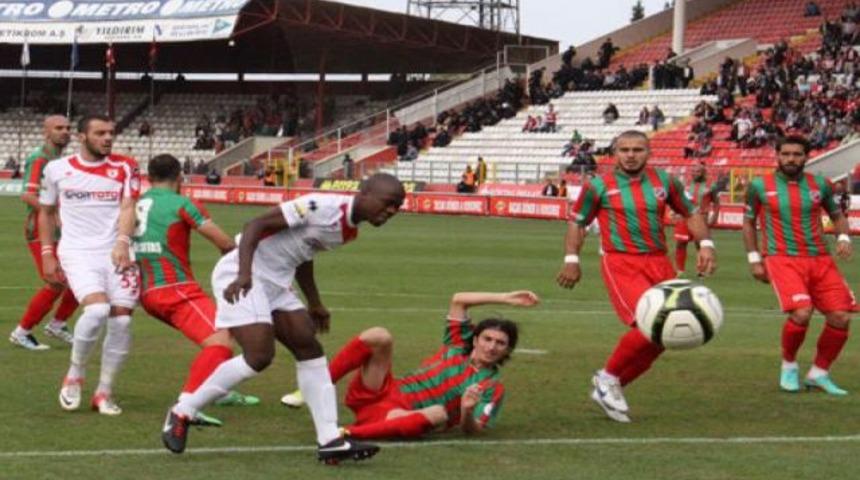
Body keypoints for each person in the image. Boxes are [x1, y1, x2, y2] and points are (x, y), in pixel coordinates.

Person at [161, 173, 406, 463]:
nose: (392, 211)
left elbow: (304, 253)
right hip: (244, 273)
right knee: (259, 355)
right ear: (365, 193)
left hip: (276, 282)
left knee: (309, 347)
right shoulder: (320, 206)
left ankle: (329, 440)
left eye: (397, 206)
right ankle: (182, 411)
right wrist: (244, 274)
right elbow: (255, 225)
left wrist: (315, 302)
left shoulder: (349, 228)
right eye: (388, 203)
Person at [556, 131, 716, 423]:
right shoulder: (598, 186)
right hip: (621, 262)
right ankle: (607, 377)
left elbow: (691, 213)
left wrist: (705, 244)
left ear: (649, 152)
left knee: (662, 336)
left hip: (659, 262)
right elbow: (577, 222)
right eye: (624, 149)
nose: (631, 155)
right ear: (615, 153)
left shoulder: (665, 182)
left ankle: (609, 385)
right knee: (647, 324)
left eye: (638, 149)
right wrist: (571, 259)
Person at [279, 291, 538, 438]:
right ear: (477, 338)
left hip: (401, 416)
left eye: (500, 343)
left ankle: (346, 434)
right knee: (380, 335)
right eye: (487, 339)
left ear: (508, 349)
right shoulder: (458, 345)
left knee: (438, 413)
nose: (491, 347)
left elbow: (475, 430)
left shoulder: (491, 386)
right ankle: (313, 388)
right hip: (382, 392)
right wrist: (506, 298)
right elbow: (459, 299)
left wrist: (467, 410)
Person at [134, 154, 259, 426]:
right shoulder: (183, 203)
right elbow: (223, 242)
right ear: (180, 177)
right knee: (221, 342)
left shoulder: (136, 203)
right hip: (176, 290)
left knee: (229, 327)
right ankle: (186, 404)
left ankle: (218, 390)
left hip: (148, 291)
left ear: (148, 178)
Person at [40, 114, 141, 416]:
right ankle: (75, 374)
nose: (108, 138)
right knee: (97, 310)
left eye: (111, 133)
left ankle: (104, 391)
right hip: (77, 251)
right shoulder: (57, 169)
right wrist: (47, 253)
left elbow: (128, 206)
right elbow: (45, 212)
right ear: (83, 137)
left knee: (122, 321)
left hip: (117, 251)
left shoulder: (125, 166)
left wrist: (123, 240)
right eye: (100, 133)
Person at [743, 135, 856, 395]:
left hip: (820, 259)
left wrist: (842, 237)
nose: (791, 159)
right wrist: (754, 259)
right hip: (781, 258)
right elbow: (749, 223)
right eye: (785, 154)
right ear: (778, 156)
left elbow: (837, 215)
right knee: (802, 312)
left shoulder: (822, 185)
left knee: (840, 317)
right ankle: (789, 365)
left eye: (796, 154)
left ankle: (819, 373)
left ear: (806, 156)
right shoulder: (760, 186)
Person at [9, 115, 79, 351]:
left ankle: (58, 324)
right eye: (59, 128)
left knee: (81, 278)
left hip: (61, 231)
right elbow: (27, 195)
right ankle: (22, 331)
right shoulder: (39, 159)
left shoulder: (60, 159)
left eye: (68, 128)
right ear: (46, 132)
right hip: (40, 228)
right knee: (56, 282)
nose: (65, 132)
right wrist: (54, 213)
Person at [674, 162, 721, 274]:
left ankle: (702, 269)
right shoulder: (685, 184)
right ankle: (680, 270)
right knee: (680, 243)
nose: (695, 173)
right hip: (685, 217)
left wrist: (715, 216)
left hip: (701, 217)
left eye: (698, 171)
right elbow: (679, 199)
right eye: (693, 171)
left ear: (703, 173)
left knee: (700, 244)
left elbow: (716, 203)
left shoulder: (711, 185)